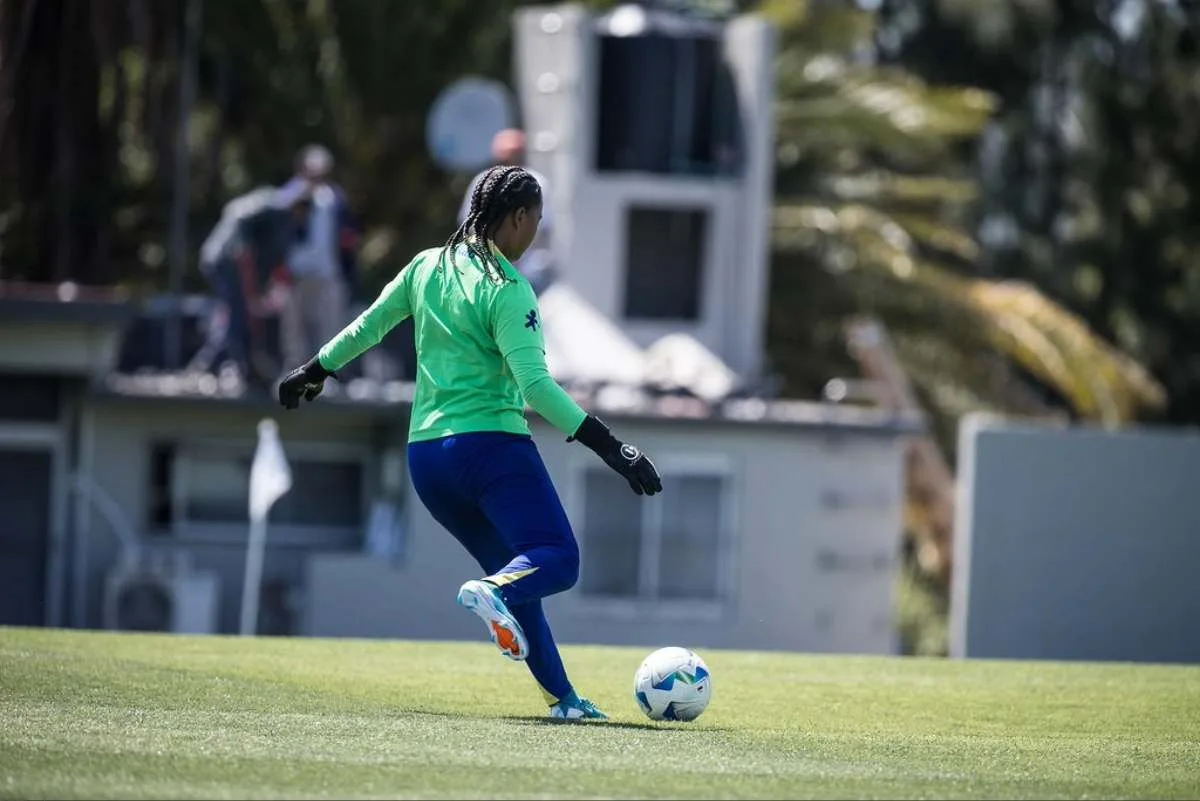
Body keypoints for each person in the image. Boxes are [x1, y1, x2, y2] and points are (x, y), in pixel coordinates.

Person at [278, 165, 662, 720]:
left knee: (516, 574)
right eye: (536, 221)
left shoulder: (426, 266)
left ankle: (566, 701)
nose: (535, 233)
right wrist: (613, 449)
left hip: (428, 460)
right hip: (490, 449)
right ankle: (498, 597)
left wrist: (315, 368)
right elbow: (536, 388)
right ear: (520, 218)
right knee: (557, 560)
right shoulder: (509, 289)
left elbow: (370, 325)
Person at [195, 183, 313, 385]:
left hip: (232, 264)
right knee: (238, 315)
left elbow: (272, 258)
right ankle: (236, 367)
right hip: (226, 260)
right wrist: (243, 250)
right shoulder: (275, 206)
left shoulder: (286, 224)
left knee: (237, 314)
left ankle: (214, 365)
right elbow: (239, 215)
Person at [278, 145, 360, 371]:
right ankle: (293, 369)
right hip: (296, 272)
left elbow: (347, 235)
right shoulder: (288, 195)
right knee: (295, 328)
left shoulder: (334, 197)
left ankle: (325, 370)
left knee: (330, 326)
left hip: (327, 272)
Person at [459, 130, 555, 293]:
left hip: (528, 273)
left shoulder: (537, 183)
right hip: (487, 271)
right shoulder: (482, 182)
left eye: (515, 153)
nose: (510, 159)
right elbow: (468, 224)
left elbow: (544, 227)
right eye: (505, 154)